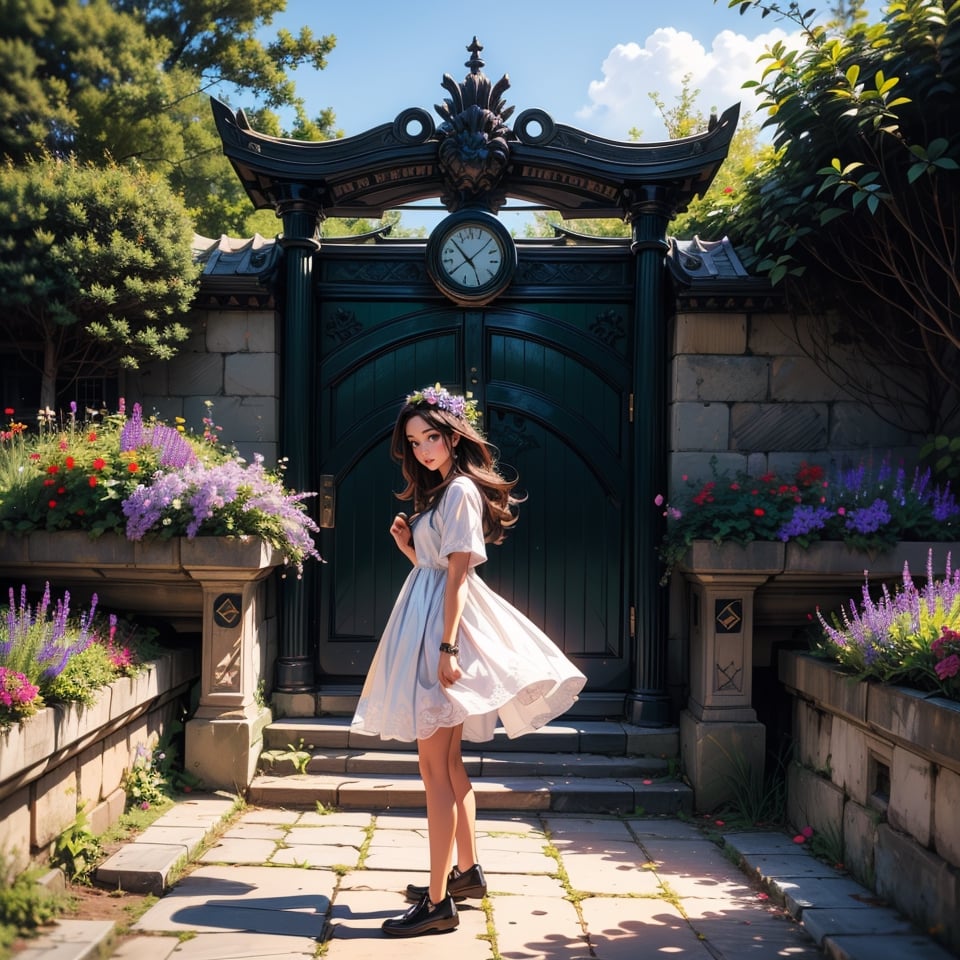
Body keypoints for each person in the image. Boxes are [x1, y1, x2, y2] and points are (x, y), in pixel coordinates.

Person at [351, 384, 587, 938]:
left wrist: (448, 648)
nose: (423, 449)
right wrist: (410, 546)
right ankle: (465, 873)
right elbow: (438, 567)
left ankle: (436, 903)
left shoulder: (457, 492)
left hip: (439, 626)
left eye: (431, 437)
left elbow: (458, 574)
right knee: (448, 765)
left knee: (434, 770)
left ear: (455, 437)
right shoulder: (441, 494)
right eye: (414, 442)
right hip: (429, 612)